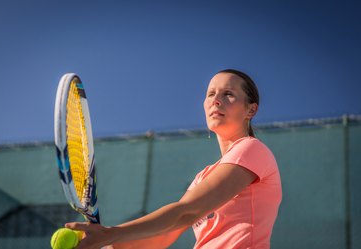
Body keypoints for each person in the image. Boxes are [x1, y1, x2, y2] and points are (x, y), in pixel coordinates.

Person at [66, 69, 282, 249]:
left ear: (251, 110)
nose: (216, 100)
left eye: (228, 94)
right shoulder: (203, 177)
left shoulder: (251, 149)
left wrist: (111, 234)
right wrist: (106, 244)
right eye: (211, 94)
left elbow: (186, 212)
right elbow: (165, 234)